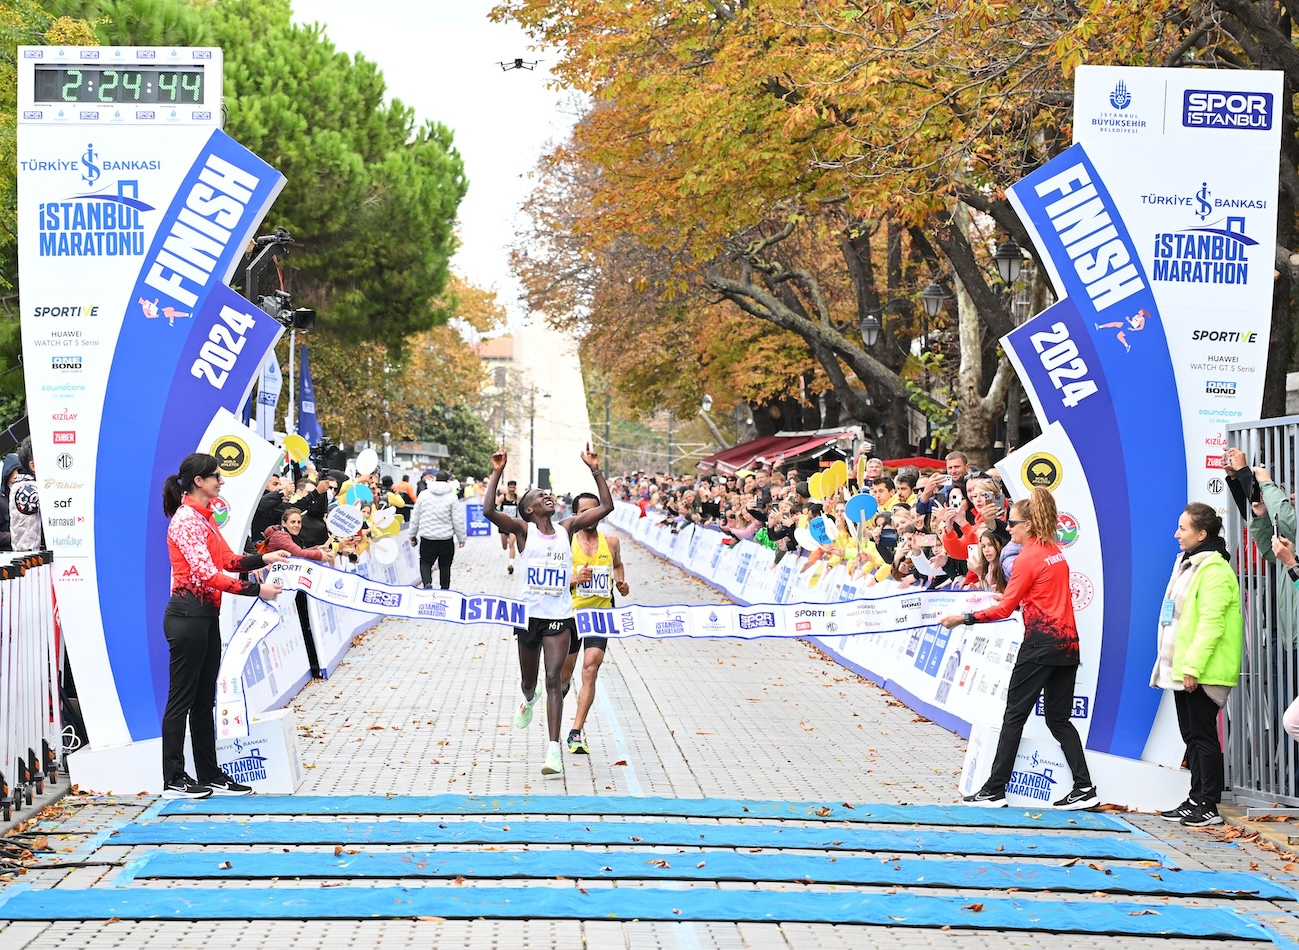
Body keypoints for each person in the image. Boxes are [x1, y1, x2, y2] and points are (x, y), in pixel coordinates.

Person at [940, 486, 1098, 810]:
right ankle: (1085, 787)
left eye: (1013, 523)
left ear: (1028, 524)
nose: (1008, 528)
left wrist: (964, 618)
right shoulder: (1052, 549)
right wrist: (1016, 601)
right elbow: (1038, 595)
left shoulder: (1027, 557)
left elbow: (1002, 609)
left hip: (1040, 645)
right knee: (1058, 719)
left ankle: (995, 789)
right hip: (1067, 644)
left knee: (1014, 716)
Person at [483, 443, 613, 777]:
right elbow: (488, 512)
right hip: (528, 618)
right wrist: (497, 471)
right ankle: (528, 699)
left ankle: (553, 750)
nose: (548, 497)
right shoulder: (523, 531)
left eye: (549, 494)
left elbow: (607, 507)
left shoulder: (567, 528)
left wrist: (595, 469)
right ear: (527, 510)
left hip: (559, 617)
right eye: (540, 496)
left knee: (554, 678)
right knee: (531, 682)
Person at [161, 452, 286, 799]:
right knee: (181, 701)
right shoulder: (186, 519)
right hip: (187, 615)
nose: (221, 481)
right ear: (199, 481)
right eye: (216, 476)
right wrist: (257, 590)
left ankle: (209, 772)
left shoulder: (205, 517)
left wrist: (265, 557)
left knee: (204, 702)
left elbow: (227, 560)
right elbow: (206, 573)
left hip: (205, 616)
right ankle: (173, 778)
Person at [1151, 503, 1243, 828]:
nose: (1177, 534)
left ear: (1202, 534)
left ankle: (1209, 805)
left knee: (1203, 737)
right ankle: (1195, 798)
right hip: (1186, 667)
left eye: (1183, 528)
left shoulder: (1214, 570)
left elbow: (1211, 625)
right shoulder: (1189, 564)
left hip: (1203, 670)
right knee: (1191, 735)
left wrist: (1192, 667)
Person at [561, 492, 630, 755]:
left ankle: (576, 731)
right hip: (570, 615)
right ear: (576, 514)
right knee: (563, 675)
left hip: (600, 616)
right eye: (584, 512)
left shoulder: (611, 542)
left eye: (595, 511)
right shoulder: (566, 542)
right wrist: (575, 579)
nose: (590, 516)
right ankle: (557, 700)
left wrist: (621, 583)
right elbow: (553, 579)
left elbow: (618, 566)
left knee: (591, 668)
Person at [408, 471, 466, 589]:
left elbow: (415, 517)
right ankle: (444, 589)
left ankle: (427, 583)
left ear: (435, 480)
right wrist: (461, 538)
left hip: (427, 537)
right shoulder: (452, 497)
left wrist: (412, 535)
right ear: (448, 481)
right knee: (445, 565)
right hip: (446, 539)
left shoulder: (423, 495)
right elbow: (457, 520)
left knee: (425, 562)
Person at [262, 507, 336, 562]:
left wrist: (317, 548)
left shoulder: (290, 536)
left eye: (299, 522)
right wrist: (320, 555)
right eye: (293, 522)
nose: (297, 525)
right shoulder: (280, 536)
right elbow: (298, 554)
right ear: (284, 523)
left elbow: (300, 551)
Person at [9, 438, 40, 552]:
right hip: (31, 558)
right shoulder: (27, 490)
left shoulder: (22, 485)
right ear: (33, 466)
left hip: (30, 556)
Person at [498, 479, 522, 574]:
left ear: (515, 488)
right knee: (505, 546)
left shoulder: (517, 498)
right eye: (510, 487)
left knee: (511, 544)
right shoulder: (502, 498)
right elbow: (493, 507)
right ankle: (506, 542)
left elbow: (523, 509)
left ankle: (510, 564)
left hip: (513, 524)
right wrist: (500, 513)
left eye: (513, 487)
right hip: (503, 524)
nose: (512, 489)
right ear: (507, 488)